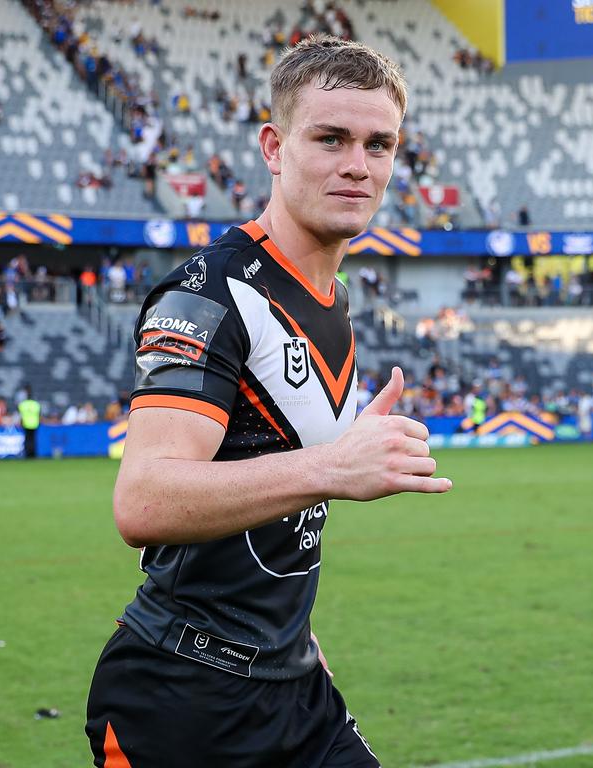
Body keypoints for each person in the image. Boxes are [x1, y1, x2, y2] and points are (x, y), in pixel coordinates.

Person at [86, 35, 451, 768]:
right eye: (331, 138)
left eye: (380, 145)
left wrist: (299, 641)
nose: (358, 164)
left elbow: (282, 516)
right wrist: (331, 468)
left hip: (295, 691)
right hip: (183, 699)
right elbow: (144, 500)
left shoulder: (333, 300)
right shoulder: (208, 294)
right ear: (274, 147)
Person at [17, 386, 40, 459]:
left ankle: (27, 454)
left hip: (26, 424)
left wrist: (20, 422)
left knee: (27, 440)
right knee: (33, 439)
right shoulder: (36, 404)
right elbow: (39, 414)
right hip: (34, 424)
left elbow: (20, 414)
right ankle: (33, 454)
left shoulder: (23, 404)